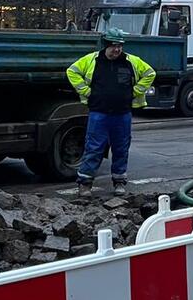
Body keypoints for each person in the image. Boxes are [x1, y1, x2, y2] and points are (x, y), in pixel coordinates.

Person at [66, 28, 157, 196]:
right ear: (106, 45)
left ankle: (119, 182)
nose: (117, 50)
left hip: (122, 114)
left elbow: (150, 73)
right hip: (99, 113)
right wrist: (86, 91)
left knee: (121, 148)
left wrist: (136, 91)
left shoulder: (131, 61)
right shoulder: (92, 60)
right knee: (94, 147)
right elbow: (72, 71)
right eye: (114, 46)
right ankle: (85, 184)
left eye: (120, 46)